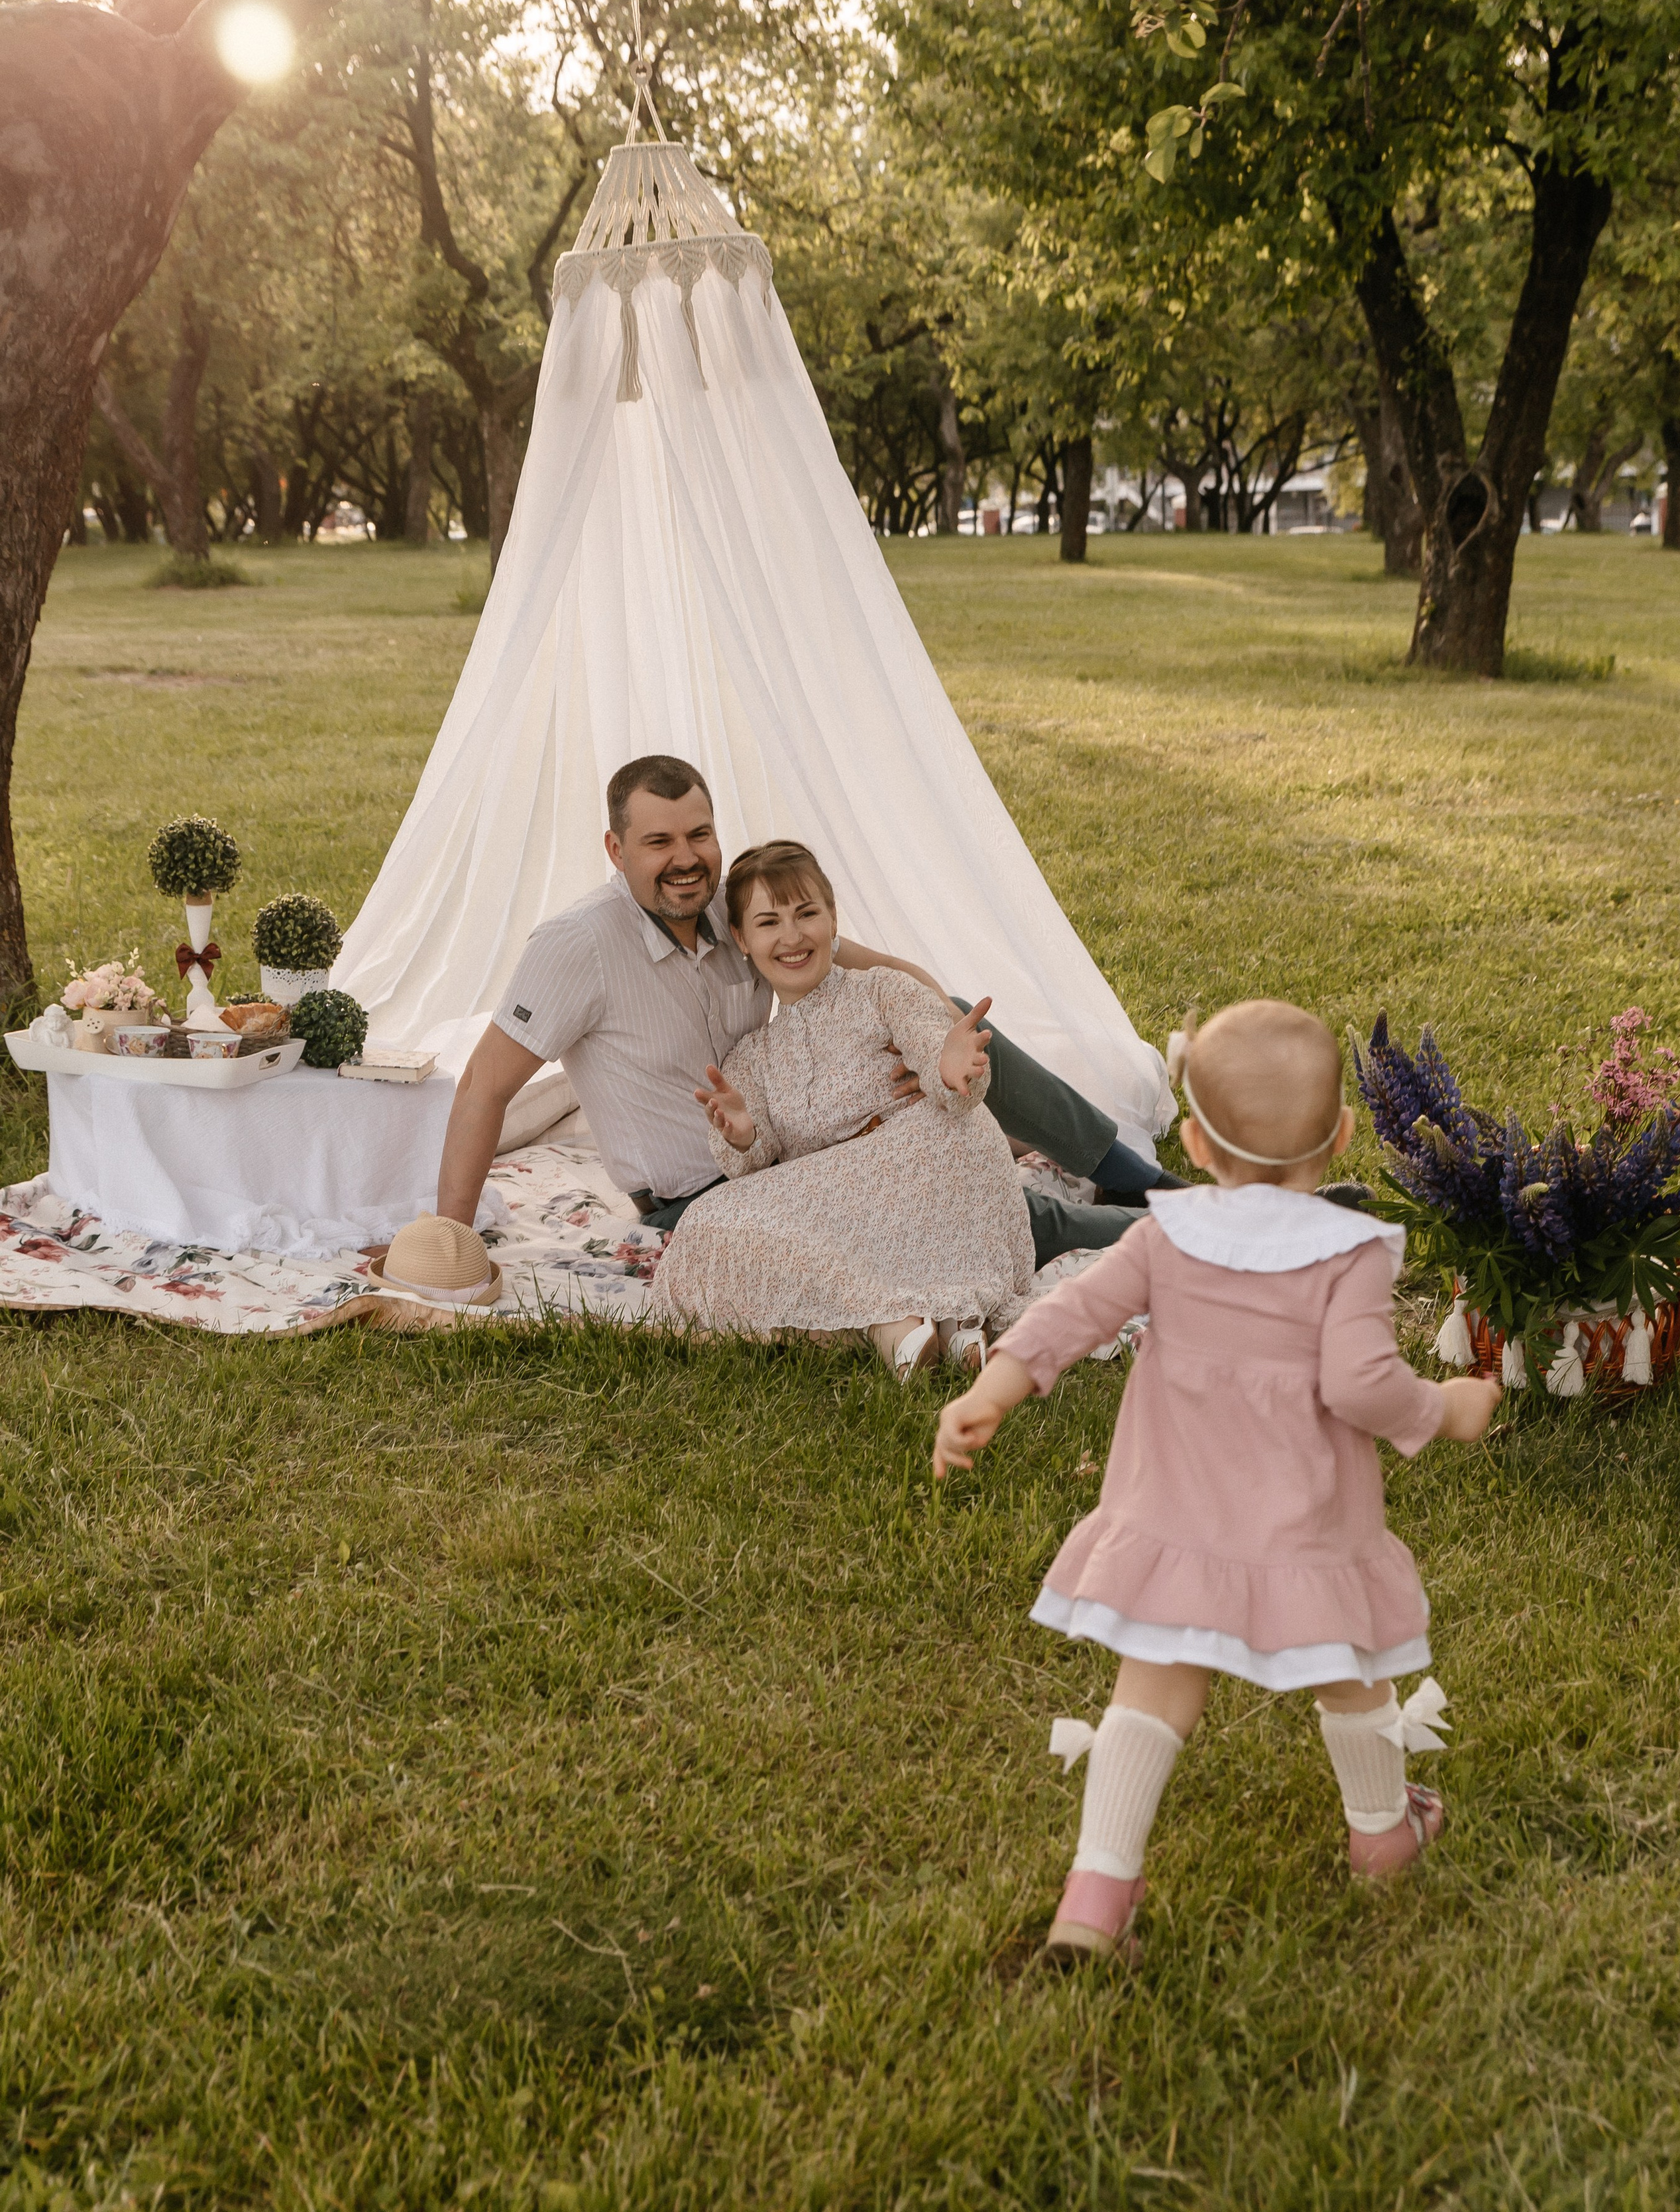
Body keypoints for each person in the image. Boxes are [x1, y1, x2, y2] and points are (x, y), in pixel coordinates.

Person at [932, 998, 1502, 1965]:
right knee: (1350, 1674)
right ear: (1346, 1137)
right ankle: (1379, 1832)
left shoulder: (1164, 1236)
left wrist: (998, 1384)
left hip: (1174, 1523)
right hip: (1306, 1531)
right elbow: (1359, 1383)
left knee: (1150, 1693)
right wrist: (1445, 1408)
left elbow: (1076, 1312)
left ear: (1191, 1139)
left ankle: (1097, 1892)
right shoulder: (1351, 1255)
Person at [435, 754, 1174, 1268]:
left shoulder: (735, 911)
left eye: (699, 834)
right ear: (615, 848)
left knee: (948, 1018)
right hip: (701, 1198)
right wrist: (448, 1237)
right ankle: (1173, 1232)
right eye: (658, 842)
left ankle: (1128, 1174)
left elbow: (891, 974)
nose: (685, 857)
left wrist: (928, 1047)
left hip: (799, 1144)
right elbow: (484, 1088)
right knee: (959, 1209)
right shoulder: (577, 945)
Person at [651, 841, 1034, 1375]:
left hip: (927, 1165)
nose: (791, 936)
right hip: (840, 1211)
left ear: (833, 920)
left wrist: (950, 1067)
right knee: (707, 1222)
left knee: (951, 1133)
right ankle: (908, 1325)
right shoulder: (751, 1058)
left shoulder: (883, 991)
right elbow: (753, 1163)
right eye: (768, 922)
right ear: (741, 939)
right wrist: (742, 1136)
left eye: (807, 914)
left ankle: (935, 1318)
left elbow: (939, 1057)